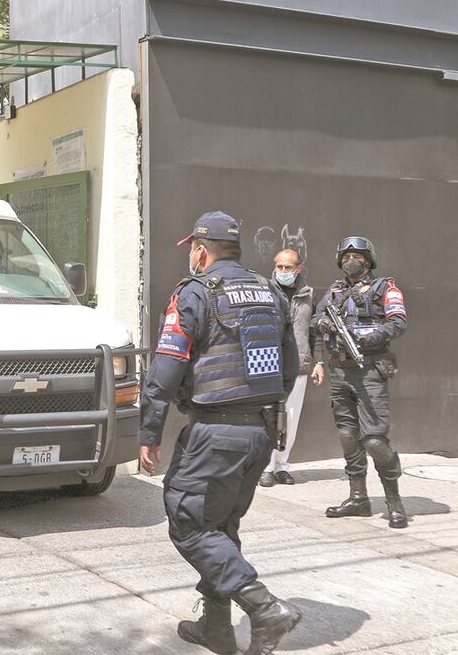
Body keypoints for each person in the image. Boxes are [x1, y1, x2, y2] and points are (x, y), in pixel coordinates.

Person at [139, 211, 302, 655]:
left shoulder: (195, 293)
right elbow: (290, 368)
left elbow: (164, 373)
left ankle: (264, 607)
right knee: (220, 528)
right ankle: (216, 629)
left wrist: (149, 433)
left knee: (190, 524)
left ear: (200, 250)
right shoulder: (270, 292)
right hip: (260, 432)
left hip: (216, 432)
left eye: (192, 249)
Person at [311, 236, 408, 528]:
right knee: (348, 435)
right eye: (346, 256)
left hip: (370, 370)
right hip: (339, 370)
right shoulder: (335, 291)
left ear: (368, 260)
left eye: (357, 256)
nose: (351, 260)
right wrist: (323, 323)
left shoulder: (385, 288)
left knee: (374, 440)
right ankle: (358, 499)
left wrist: (369, 337)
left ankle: (394, 502)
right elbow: (315, 321)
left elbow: (398, 322)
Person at [259, 248, 314, 487]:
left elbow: (313, 331)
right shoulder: (264, 291)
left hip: (298, 364)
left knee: (291, 418)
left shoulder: (308, 295)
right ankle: (266, 468)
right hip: (269, 363)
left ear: (298, 268)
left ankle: (282, 466)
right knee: (268, 417)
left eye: (287, 267)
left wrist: (318, 362)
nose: (282, 271)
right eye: (279, 266)